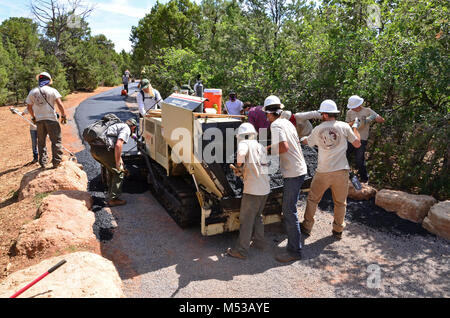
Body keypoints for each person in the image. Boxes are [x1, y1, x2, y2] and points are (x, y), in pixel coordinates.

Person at [300, 99, 361, 240]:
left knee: (313, 199)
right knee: (340, 202)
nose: (322, 115)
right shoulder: (344, 126)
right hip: (341, 171)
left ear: (326, 115)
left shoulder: (318, 129)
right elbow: (357, 144)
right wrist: (355, 128)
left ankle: (307, 227)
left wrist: (303, 139)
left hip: (323, 171)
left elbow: (308, 142)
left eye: (322, 113)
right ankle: (338, 230)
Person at [264, 95, 308, 263]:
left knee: (289, 211)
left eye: (266, 115)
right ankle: (292, 236)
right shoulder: (287, 122)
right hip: (298, 168)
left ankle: (294, 251)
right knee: (289, 208)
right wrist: (268, 148)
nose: (266, 118)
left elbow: (283, 147)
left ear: (269, 113)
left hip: (294, 172)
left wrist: (266, 152)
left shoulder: (275, 125)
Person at [226, 123, 270, 259]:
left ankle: (241, 251)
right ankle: (260, 242)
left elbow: (241, 154)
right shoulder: (260, 146)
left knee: (246, 220)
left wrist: (239, 165)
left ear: (241, 136)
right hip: (265, 188)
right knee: (257, 216)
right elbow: (263, 167)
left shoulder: (244, 143)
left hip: (252, 190)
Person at [90, 118, 138, 207]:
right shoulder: (126, 129)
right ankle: (114, 199)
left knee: (112, 170)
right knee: (119, 172)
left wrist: (120, 159)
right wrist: (117, 162)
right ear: (133, 127)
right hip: (104, 150)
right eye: (134, 129)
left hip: (94, 149)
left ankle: (110, 194)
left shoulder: (118, 125)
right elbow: (118, 145)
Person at [26, 72, 67, 169]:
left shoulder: (32, 92)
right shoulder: (52, 90)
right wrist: (63, 116)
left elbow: (29, 107)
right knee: (56, 141)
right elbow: (60, 104)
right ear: (48, 80)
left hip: (39, 120)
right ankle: (56, 162)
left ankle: (43, 163)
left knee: (41, 142)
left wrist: (34, 117)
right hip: (51, 119)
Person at [345, 95, 385, 183]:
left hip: (361, 139)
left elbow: (381, 119)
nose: (353, 109)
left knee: (359, 160)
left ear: (359, 105)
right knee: (343, 156)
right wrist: (355, 122)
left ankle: (364, 179)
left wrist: (371, 118)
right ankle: (346, 175)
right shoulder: (349, 113)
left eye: (354, 107)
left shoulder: (367, 111)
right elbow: (346, 125)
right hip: (350, 138)